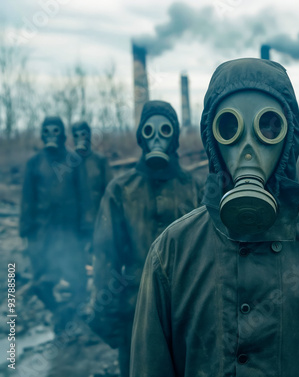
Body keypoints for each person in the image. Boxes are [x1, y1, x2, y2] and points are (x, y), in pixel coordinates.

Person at [130, 58, 299, 377]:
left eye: (269, 126)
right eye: (230, 128)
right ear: (213, 141)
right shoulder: (171, 254)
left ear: (289, 140)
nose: (248, 149)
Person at [89, 100, 200, 377]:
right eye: (150, 131)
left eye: (165, 130)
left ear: (174, 136)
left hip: (185, 315)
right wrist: (107, 317)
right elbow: (105, 256)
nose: (157, 139)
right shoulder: (120, 190)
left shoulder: (193, 189)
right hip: (134, 314)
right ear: (141, 137)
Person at [20, 116, 87, 334]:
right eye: (47, 131)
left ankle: (68, 315)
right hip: (43, 232)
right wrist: (26, 228)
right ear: (42, 134)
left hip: (69, 231)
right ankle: (59, 312)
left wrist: (85, 228)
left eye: (55, 131)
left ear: (62, 134)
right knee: (41, 281)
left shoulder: (74, 160)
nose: (51, 135)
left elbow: (82, 195)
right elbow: (27, 198)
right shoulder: (34, 163)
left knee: (79, 281)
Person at [71, 120, 112, 257]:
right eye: (76, 135)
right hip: (76, 223)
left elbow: (110, 191)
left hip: (96, 220)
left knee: (99, 258)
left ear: (89, 136)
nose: (80, 138)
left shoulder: (99, 161)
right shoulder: (69, 163)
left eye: (83, 134)